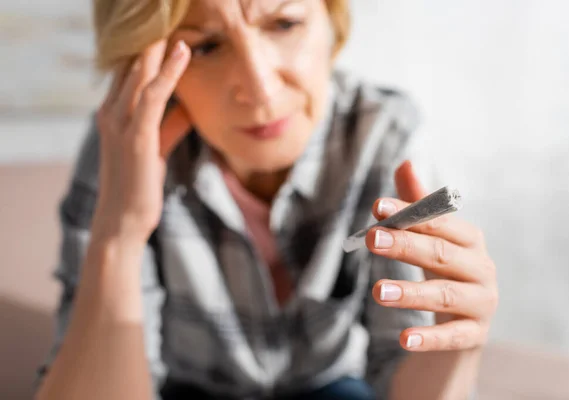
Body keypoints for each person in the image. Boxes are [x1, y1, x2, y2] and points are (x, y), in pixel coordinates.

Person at [35, 0, 498, 399]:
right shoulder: (125, 148)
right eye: (206, 46)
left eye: (284, 24)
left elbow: (402, 380)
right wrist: (119, 236)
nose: (259, 87)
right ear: (144, 64)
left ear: (330, 21)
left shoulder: (385, 136)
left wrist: (457, 345)